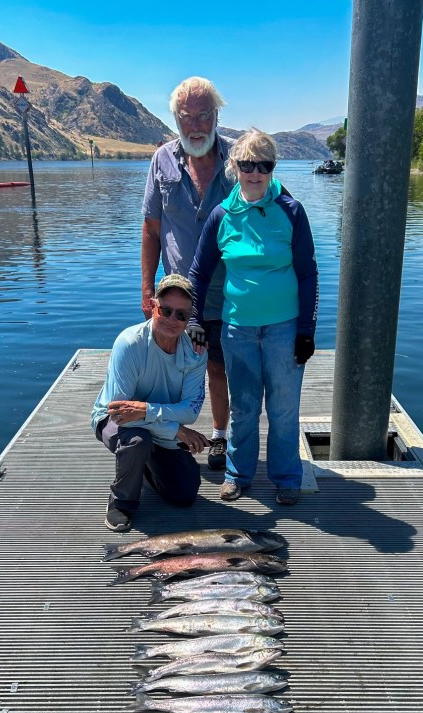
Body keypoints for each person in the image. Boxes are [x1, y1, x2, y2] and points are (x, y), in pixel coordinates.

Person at [189, 129, 319, 506]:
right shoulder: (222, 215)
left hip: (285, 327)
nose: (256, 172)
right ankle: (237, 474)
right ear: (234, 167)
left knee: (283, 408)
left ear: (273, 168)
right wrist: (196, 318)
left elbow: (309, 272)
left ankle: (286, 477)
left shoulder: (292, 211)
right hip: (237, 329)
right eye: (248, 164)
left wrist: (306, 331)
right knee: (244, 407)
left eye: (265, 165)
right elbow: (199, 272)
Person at [141, 76, 234, 471]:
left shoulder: (236, 161)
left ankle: (219, 436)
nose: (196, 125)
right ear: (176, 119)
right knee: (171, 362)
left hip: (228, 293)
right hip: (176, 297)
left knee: (218, 366)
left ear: (216, 115)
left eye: (203, 115)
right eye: (187, 117)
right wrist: (147, 288)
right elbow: (151, 229)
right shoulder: (161, 160)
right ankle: (170, 434)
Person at [91, 274, 209, 533]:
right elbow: (120, 413)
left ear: (189, 318)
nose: (172, 319)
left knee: (185, 493)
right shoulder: (129, 343)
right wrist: (175, 430)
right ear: (153, 305)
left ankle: (144, 468)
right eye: (165, 310)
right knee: (137, 441)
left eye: (181, 315)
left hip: (157, 422)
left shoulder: (196, 352)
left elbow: (189, 411)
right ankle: (121, 502)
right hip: (111, 420)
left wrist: (146, 410)